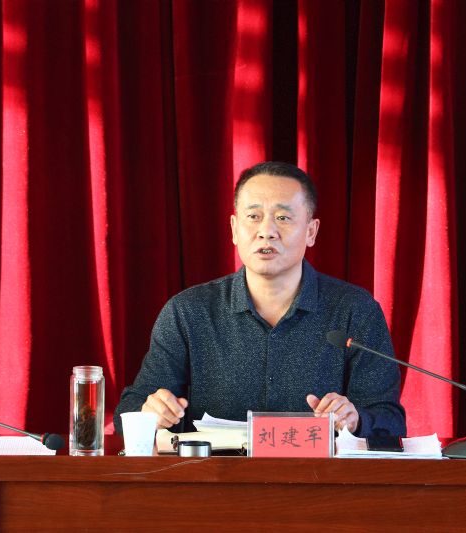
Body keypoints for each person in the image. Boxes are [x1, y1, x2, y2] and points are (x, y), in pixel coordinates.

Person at [113, 162, 406, 437]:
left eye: (283, 218)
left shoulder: (355, 310)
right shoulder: (188, 312)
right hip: (214, 474)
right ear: (234, 229)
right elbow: (129, 411)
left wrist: (356, 419)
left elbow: (390, 421)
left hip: (320, 474)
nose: (267, 231)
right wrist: (151, 412)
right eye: (253, 217)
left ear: (311, 231)